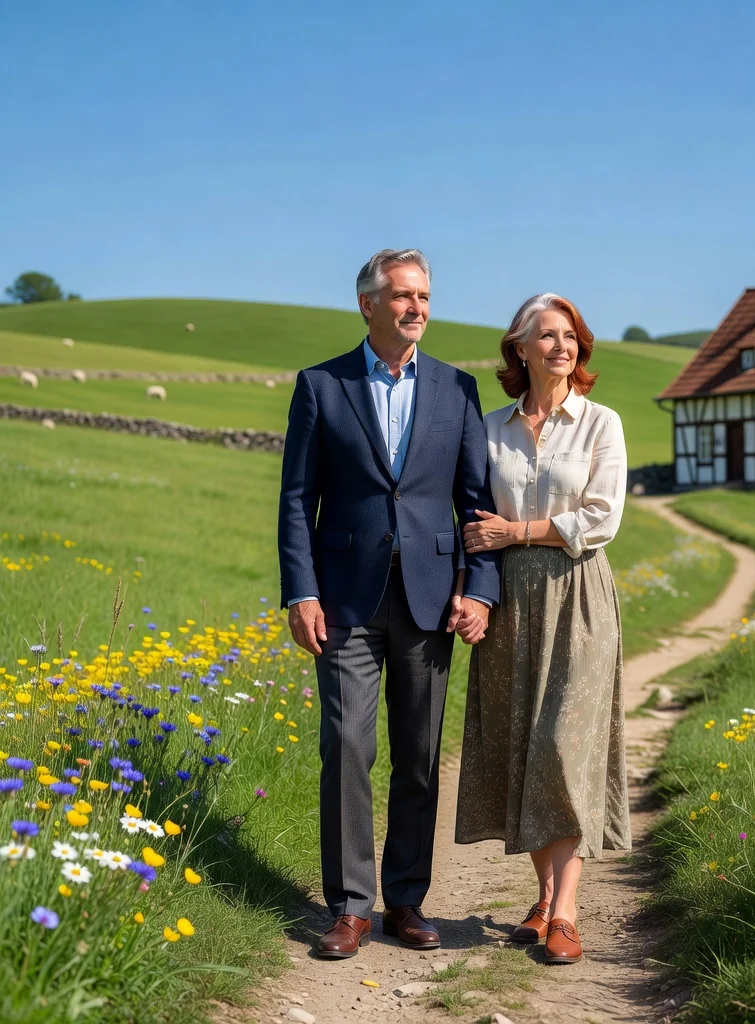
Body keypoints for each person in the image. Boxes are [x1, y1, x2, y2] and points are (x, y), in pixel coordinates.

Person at [278, 248, 500, 959]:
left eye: (425, 297)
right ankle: (349, 907)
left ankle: (406, 900)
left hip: (433, 599)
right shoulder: (321, 385)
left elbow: (477, 503)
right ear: (368, 303)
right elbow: (295, 501)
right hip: (344, 600)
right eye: (403, 296)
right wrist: (301, 590)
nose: (418, 309)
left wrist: (481, 589)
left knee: (419, 757)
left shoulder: (457, 390)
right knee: (346, 748)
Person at [454, 292, 630, 965]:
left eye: (570, 337)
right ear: (519, 348)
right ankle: (543, 896)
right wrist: (474, 592)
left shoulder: (600, 423)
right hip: (507, 598)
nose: (561, 346)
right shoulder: (490, 427)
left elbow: (601, 517)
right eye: (546, 336)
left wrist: (518, 531)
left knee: (563, 747)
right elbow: (470, 517)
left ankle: (566, 910)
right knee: (521, 747)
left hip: (578, 592)